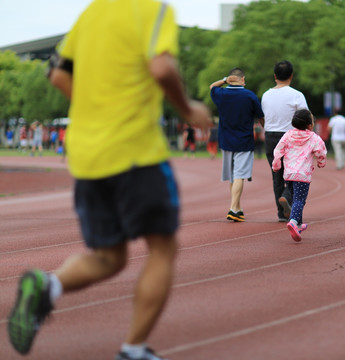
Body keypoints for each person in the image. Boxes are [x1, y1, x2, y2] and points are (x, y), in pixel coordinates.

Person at [7, 1, 212, 360]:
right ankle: (133, 351)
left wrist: (96, 110)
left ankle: (48, 286)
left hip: (88, 156)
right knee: (163, 248)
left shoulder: (89, 16)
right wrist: (188, 109)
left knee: (109, 256)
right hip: (135, 151)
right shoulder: (153, 10)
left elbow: (56, 74)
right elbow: (162, 67)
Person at [210, 68, 264, 222]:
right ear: (242, 79)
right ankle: (233, 208)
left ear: (230, 79)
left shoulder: (221, 94)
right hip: (244, 141)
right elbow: (261, 117)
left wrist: (225, 80)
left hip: (226, 140)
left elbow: (212, 86)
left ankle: (238, 208)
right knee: (240, 175)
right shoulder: (250, 96)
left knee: (233, 176)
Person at [261, 60, 309, 222]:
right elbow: (305, 117)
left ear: (275, 76)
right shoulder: (296, 95)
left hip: (270, 136)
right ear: (291, 76)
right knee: (294, 173)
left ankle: (281, 213)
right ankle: (287, 197)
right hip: (291, 137)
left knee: (277, 174)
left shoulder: (266, 95)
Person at [272, 109, 327, 242]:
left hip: (289, 174)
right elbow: (321, 151)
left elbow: (278, 149)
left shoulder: (288, 135)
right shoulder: (314, 137)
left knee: (296, 199)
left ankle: (298, 224)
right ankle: (293, 221)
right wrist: (321, 162)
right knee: (299, 200)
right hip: (302, 175)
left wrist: (276, 164)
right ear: (310, 124)